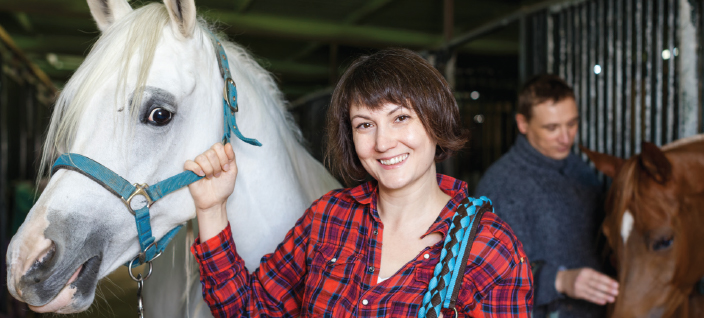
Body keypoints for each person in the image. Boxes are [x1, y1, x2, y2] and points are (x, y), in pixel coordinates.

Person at [185, 48, 533, 317]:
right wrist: (212, 207)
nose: (383, 143)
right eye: (365, 124)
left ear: (435, 120)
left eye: (400, 117)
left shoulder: (492, 250)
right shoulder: (328, 217)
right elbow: (249, 310)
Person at [475, 74, 619, 318]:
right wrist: (559, 280)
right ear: (522, 124)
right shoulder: (499, 185)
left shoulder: (582, 171)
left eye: (572, 124)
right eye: (552, 128)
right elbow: (489, 277)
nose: (566, 138)